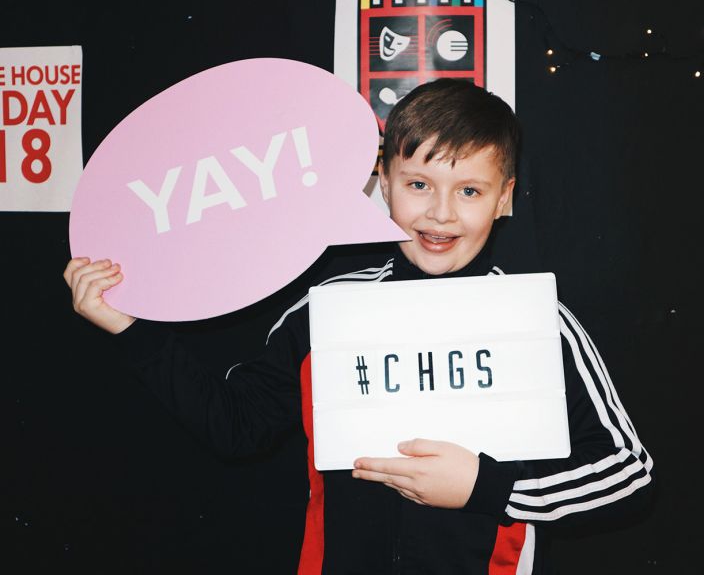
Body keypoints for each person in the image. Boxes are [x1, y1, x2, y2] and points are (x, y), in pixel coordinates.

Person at [64, 78, 654, 574]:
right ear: (383, 183)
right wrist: (130, 329)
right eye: (418, 184)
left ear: (503, 199)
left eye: (469, 191)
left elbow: (626, 474)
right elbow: (235, 425)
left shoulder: (539, 322)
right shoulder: (325, 311)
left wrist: (487, 488)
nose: (441, 213)